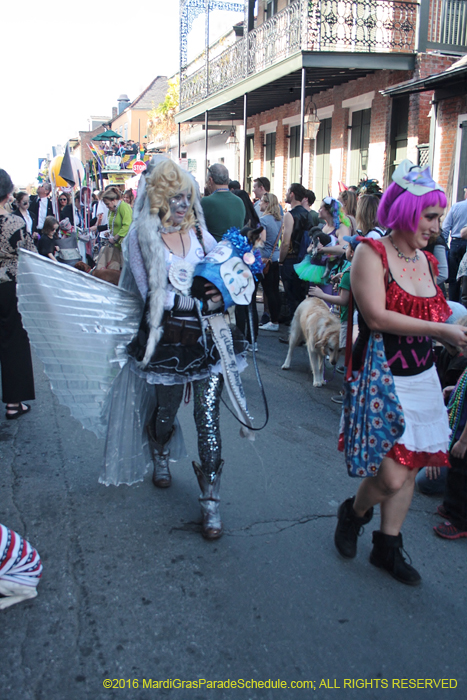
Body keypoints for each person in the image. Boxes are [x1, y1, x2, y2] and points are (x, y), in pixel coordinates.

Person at [334, 159, 467, 585]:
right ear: (408, 212)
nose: (435, 226)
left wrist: (453, 337)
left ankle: (387, 546)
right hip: (382, 377)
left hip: (422, 376)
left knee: (410, 468)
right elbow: (377, 318)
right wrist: (441, 329)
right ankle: (353, 512)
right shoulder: (369, 254)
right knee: (391, 473)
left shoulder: (427, 262)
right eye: (430, 216)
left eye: (438, 218)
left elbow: (434, 318)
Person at [123, 157, 256, 538]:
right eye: (175, 198)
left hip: (206, 340)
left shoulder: (200, 235)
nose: (183, 205)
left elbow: (224, 273)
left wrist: (229, 289)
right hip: (166, 342)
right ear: (159, 199)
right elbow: (153, 295)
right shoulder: (140, 237)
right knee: (165, 409)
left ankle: (210, 501)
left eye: (187, 197)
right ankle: (160, 451)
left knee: (207, 416)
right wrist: (196, 303)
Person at [0, 169, 36, 419]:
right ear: (9, 193)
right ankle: (14, 403)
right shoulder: (14, 223)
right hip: (8, 286)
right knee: (13, 341)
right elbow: (30, 253)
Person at [433, 370, 467, 539]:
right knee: (454, 472)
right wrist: (456, 389)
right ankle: (451, 505)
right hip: (458, 433)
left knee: (461, 478)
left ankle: (460, 521)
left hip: (464, 438)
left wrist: (464, 441)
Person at [279, 183, 310, 321]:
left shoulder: (289, 215)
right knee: (301, 297)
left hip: (291, 260)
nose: (286, 194)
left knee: (291, 298)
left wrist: (281, 260)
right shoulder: (308, 215)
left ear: (292, 194)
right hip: (305, 260)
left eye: (287, 192)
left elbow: (285, 242)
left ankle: (294, 332)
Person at [201, 164, 245, 242]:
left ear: (210, 180)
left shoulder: (206, 202)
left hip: (214, 251)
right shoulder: (239, 201)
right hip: (236, 250)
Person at [258, 193, 282, 332]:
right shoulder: (279, 220)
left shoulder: (264, 220)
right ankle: (276, 318)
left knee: (268, 291)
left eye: (261, 201)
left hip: (265, 258)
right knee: (275, 290)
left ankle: (273, 321)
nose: (260, 203)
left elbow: (263, 241)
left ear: (267, 203)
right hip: (275, 257)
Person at [96, 187, 132, 270]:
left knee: (123, 268)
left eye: (108, 204)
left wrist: (116, 237)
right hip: (117, 246)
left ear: (113, 200)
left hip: (125, 245)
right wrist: (110, 232)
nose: (107, 206)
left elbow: (127, 225)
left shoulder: (123, 206)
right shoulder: (112, 210)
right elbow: (113, 224)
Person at [442, 186, 467, 301]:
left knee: (453, 280)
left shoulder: (456, 207)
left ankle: (453, 304)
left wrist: (444, 247)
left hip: (456, 244)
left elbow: (446, 228)